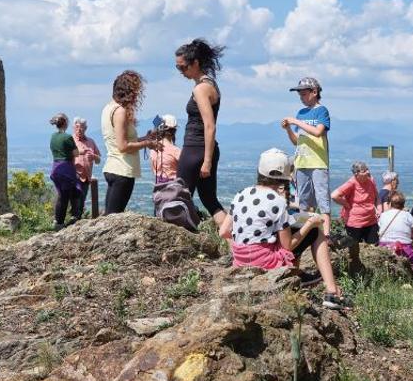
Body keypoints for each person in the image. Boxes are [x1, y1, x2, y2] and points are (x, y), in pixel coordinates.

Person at [220, 149, 348, 310]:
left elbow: (223, 231)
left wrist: (247, 247)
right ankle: (332, 292)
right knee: (315, 232)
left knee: (290, 231)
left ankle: (295, 275)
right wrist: (310, 223)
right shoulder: (277, 201)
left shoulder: (241, 194)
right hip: (266, 262)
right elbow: (288, 246)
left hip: (240, 260)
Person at [175, 39, 227, 225]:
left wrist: (206, 160)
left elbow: (209, 125)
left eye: (183, 67)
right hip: (204, 149)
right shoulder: (210, 84)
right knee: (210, 200)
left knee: (178, 198)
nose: (181, 72)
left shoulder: (201, 89)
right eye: (178, 68)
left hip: (195, 148)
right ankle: (235, 243)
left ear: (195, 63)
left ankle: (180, 243)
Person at [101, 70, 155, 214]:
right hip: (122, 170)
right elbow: (123, 146)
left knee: (109, 215)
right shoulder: (120, 112)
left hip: (113, 167)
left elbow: (122, 139)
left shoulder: (108, 108)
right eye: (135, 92)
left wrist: (144, 138)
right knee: (113, 218)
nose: (137, 96)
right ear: (128, 91)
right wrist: (148, 144)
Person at [282, 77, 331, 230]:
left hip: (318, 162)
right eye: (300, 95)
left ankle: (326, 233)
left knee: (322, 200)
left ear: (314, 92)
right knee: (304, 201)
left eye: (304, 94)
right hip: (301, 162)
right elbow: (297, 141)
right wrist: (288, 129)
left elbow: (318, 132)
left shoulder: (321, 111)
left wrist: (296, 122)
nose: (301, 98)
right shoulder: (301, 113)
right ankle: (306, 231)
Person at [331, 161, 379, 269]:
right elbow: (334, 195)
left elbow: (376, 195)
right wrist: (347, 205)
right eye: (364, 170)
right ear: (356, 173)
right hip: (355, 222)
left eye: (367, 169)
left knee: (373, 247)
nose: (368, 172)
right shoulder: (351, 183)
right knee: (354, 251)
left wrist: (377, 209)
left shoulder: (371, 180)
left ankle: (372, 271)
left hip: (371, 220)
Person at [376, 191, 413, 278]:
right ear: (403, 204)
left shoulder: (383, 215)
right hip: (404, 248)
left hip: (385, 247)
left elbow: (380, 229)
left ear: (390, 203)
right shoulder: (408, 216)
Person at [48, 113, 83, 230]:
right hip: (66, 168)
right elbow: (76, 153)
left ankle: (58, 220)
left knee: (62, 196)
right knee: (66, 196)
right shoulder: (67, 137)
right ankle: (62, 221)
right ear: (65, 123)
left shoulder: (53, 136)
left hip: (55, 167)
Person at [72, 117, 101, 218]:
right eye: (77, 127)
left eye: (82, 127)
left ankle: (76, 222)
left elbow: (98, 160)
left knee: (81, 202)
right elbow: (66, 155)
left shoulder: (91, 141)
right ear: (73, 128)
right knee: (76, 200)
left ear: (86, 128)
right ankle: (73, 220)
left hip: (86, 177)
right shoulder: (71, 140)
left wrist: (94, 156)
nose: (79, 129)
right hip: (74, 176)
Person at [148, 114, 182, 184]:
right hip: (174, 188)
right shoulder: (176, 151)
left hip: (158, 189)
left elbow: (153, 170)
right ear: (174, 131)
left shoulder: (153, 149)